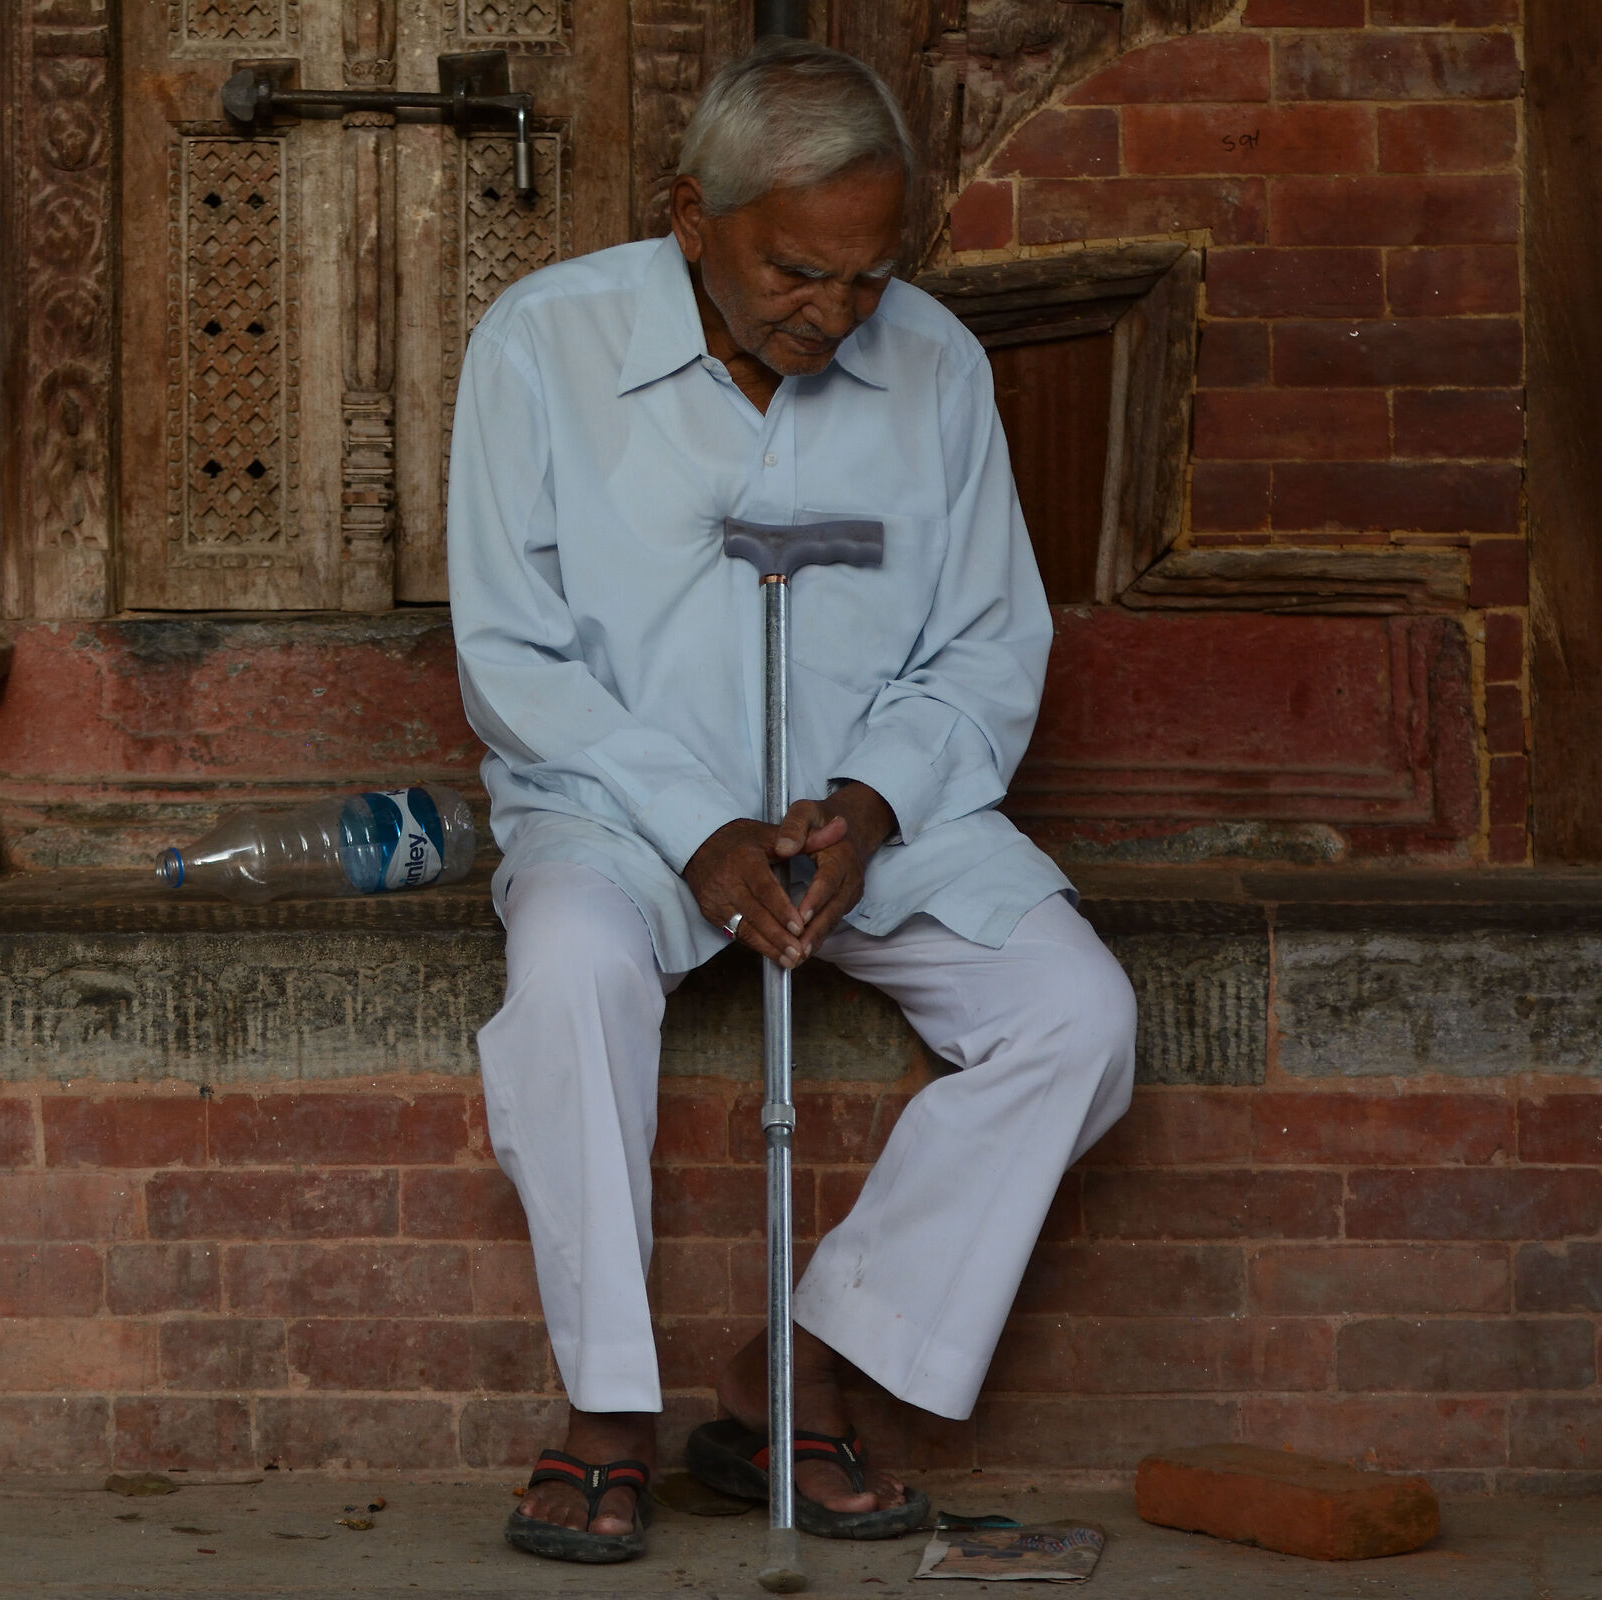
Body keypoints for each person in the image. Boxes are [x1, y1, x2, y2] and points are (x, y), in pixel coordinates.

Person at [447, 38, 1139, 1566]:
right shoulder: (540, 347)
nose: (831, 314)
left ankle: (806, 1366)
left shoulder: (938, 368)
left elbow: (988, 641)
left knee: (1079, 1021)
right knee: (568, 975)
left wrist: (877, 802)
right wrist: (695, 826)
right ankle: (609, 1415)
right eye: (795, 273)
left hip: (871, 821)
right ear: (693, 216)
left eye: (867, 280)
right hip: (622, 814)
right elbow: (512, 651)